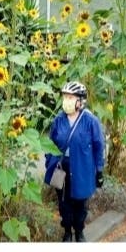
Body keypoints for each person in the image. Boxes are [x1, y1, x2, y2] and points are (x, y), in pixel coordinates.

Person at [44, 81, 105, 241]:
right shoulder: (59, 120)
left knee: (80, 204)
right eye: (65, 97)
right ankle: (67, 232)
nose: (67, 101)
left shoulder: (90, 121)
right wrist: (49, 162)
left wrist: (99, 170)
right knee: (64, 203)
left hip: (82, 170)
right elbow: (50, 144)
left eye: (70, 97)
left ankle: (79, 231)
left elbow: (99, 146)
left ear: (80, 100)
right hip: (61, 168)